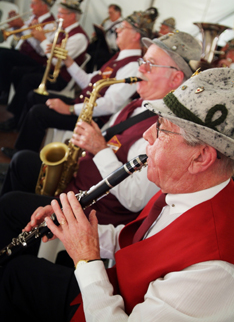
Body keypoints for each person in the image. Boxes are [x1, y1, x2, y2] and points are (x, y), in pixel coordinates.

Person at [1, 66, 234, 321]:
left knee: (16, 278)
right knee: (15, 272)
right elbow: (135, 240)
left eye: (161, 128)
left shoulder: (215, 271)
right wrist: (77, 230)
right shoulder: (186, 188)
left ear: (200, 157)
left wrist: (87, 260)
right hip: (110, 286)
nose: (147, 135)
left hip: (106, 304)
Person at [0, 31, 201, 255]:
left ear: (176, 79)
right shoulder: (138, 103)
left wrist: (99, 149)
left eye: (151, 64)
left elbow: (134, 199)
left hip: (93, 211)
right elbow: (110, 136)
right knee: (21, 162)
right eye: (143, 61)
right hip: (78, 186)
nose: (140, 69)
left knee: (10, 204)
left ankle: (13, 258)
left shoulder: (167, 131)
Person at [0, 7, 159, 157]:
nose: (117, 30)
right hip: (83, 106)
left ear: (135, 36)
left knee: (38, 113)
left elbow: (110, 104)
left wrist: (69, 108)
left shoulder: (132, 66)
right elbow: (88, 81)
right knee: (33, 97)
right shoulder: (119, 57)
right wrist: (68, 61)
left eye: (122, 28)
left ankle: (23, 155)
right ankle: (23, 143)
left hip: (91, 119)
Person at [0, 0, 89, 132]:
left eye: (61, 13)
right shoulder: (61, 29)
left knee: (27, 80)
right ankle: (18, 111)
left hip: (60, 78)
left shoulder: (79, 37)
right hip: (48, 69)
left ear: (72, 16)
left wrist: (42, 38)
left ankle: (17, 120)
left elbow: (55, 60)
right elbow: (43, 51)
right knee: (18, 72)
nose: (58, 16)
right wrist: (35, 34)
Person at [0, 0, 56, 104]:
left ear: (44, 6)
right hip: (24, 53)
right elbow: (21, 36)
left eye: (34, 3)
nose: (31, 6)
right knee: (3, 54)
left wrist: (22, 25)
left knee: (3, 56)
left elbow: (41, 50)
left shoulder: (50, 24)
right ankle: (4, 90)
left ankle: (3, 92)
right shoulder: (33, 17)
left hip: (37, 60)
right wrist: (16, 26)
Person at [86, 4, 123, 72]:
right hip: (103, 46)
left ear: (118, 13)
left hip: (111, 50)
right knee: (89, 48)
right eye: (109, 13)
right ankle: (87, 72)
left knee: (96, 55)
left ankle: (94, 74)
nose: (109, 15)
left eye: (111, 13)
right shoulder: (108, 22)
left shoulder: (122, 25)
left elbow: (115, 43)